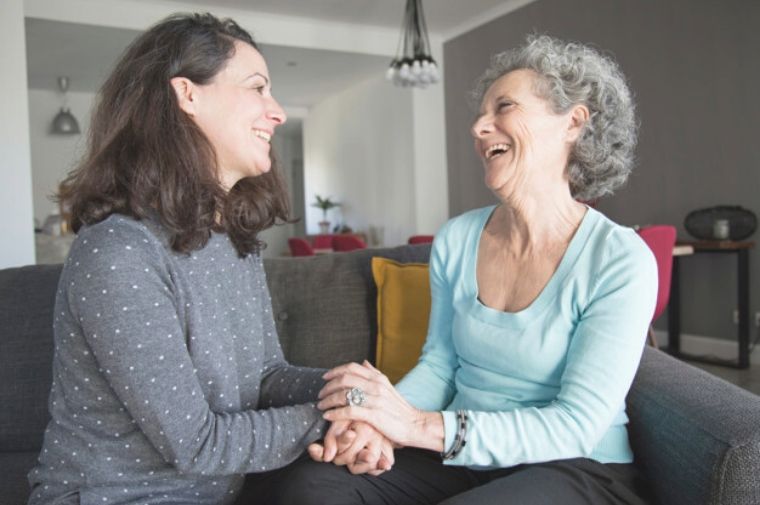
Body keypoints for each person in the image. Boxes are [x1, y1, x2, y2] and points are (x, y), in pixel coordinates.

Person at [274, 34, 658, 505]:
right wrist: (379, 425)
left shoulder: (619, 260)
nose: (479, 126)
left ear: (573, 123)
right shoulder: (457, 239)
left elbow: (575, 424)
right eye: (481, 113)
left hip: (575, 466)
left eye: (504, 107)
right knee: (313, 487)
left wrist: (414, 425)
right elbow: (440, 365)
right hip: (461, 455)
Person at [27, 13, 391, 505]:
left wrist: (351, 391)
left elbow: (265, 378)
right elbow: (195, 444)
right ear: (188, 94)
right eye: (257, 87)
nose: (277, 111)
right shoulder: (119, 252)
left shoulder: (232, 239)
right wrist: (331, 416)